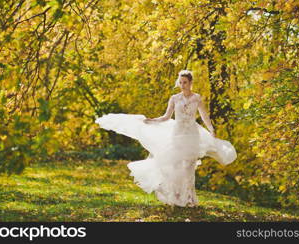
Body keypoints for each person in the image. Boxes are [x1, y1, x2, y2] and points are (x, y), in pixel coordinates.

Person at [95, 69, 237, 207]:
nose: (182, 85)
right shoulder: (174, 98)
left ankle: (190, 199)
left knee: (188, 168)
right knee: (174, 166)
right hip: (177, 134)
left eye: (185, 82)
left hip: (192, 135)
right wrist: (151, 120)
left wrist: (211, 129)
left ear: (191, 82)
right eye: (180, 82)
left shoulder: (197, 98)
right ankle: (175, 197)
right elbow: (166, 117)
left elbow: (205, 116)